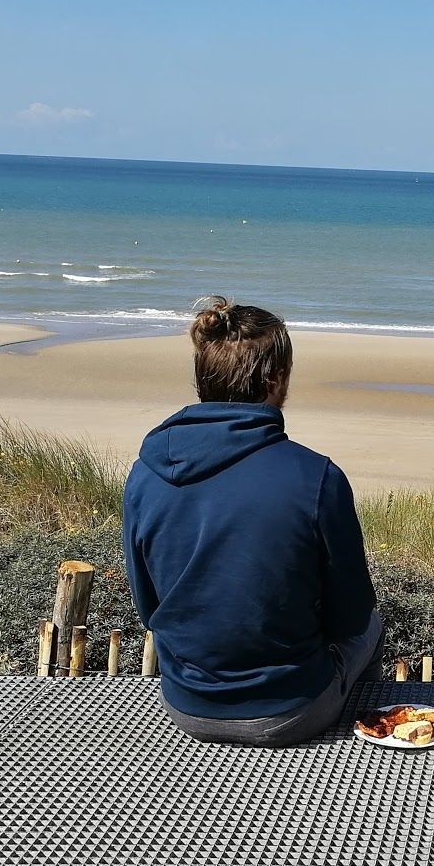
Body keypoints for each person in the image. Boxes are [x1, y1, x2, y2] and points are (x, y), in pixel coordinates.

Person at [123, 297, 384, 747]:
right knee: (373, 626)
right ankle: (366, 736)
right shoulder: (317, 477)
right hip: (290, 710)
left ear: (203, 378)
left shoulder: (144, 473)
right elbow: (351, 617)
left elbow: (149, 609)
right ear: (275, 379)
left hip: (185, 703)